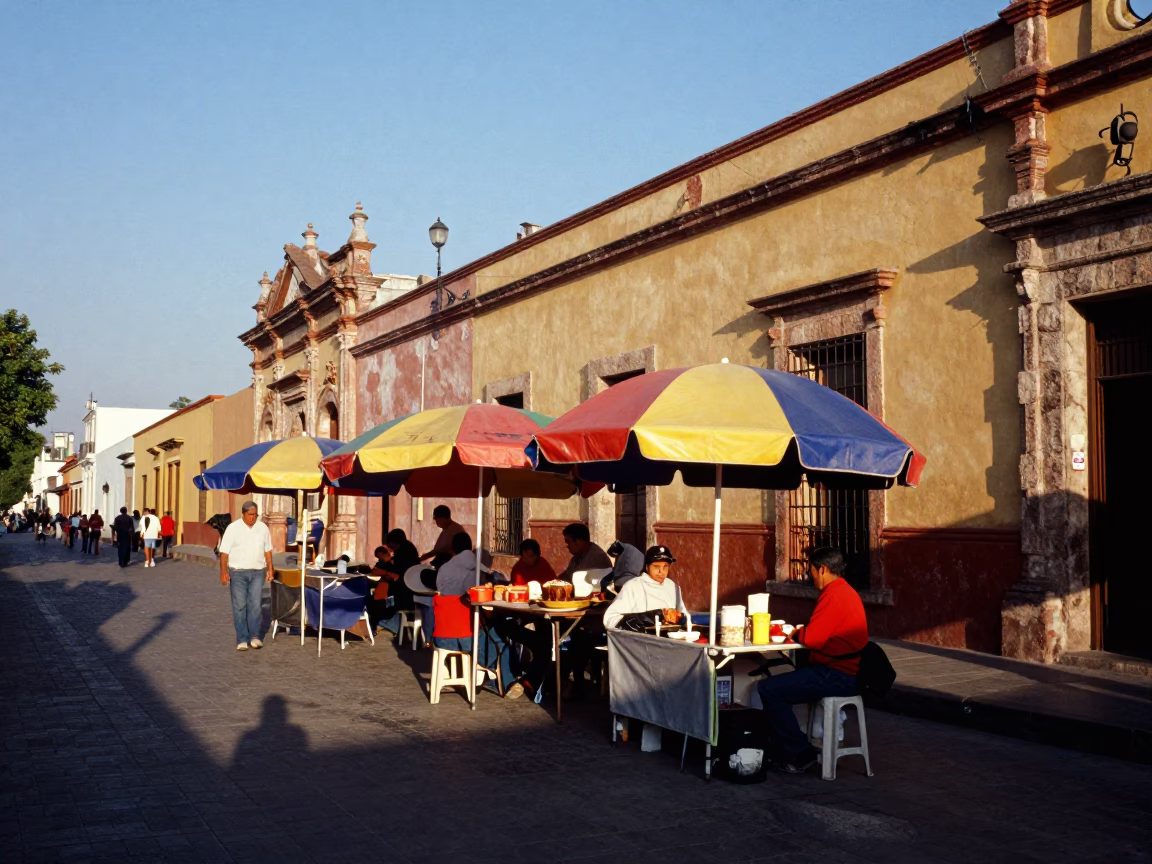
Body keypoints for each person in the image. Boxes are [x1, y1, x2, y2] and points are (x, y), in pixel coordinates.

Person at [755, 547, 867, 774]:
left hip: (835, 674)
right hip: (840, 670)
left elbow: (814, 638)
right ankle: (787, 747)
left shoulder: (833, 595)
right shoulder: (845, 591)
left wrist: (798, 633)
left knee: (769, 689)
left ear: (823, 570)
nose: (810, 576)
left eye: (811, 571)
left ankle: (799, 751)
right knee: (777, 685)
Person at [435, 531, 522, 698]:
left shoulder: (443, 569)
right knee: (501, 636)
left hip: (441, 634)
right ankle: (506, 683)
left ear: (452, 549)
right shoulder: (477, 569)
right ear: (471, 548)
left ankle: (483, 675)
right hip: (466, 636)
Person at [218, 501, 274, 651]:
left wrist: (270, 568)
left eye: (254, 515)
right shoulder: (233, 528)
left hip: (258, 571)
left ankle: (255, 636)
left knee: (255, 605)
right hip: (238, 572)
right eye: (249, 515)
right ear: (243, 514)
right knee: (240, 606)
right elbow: (224, 553)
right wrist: (223, 572)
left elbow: (267, 550)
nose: (252, 518)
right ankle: (242, 638)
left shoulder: (263, 528)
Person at [604, 545, 686, 630]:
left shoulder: (673, 587)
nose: (661, 571)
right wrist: (645, 618)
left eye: (665, 566)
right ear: (647, 567)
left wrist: (679, 618)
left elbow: (684, 616)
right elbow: (610, 620)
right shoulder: (633, 586)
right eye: (656, 566)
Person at [372, 529, 421, 635]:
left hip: (406, 587)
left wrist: (385, 570)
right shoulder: (406, 548)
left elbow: (398, 572)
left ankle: (382, 620)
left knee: (382, 590)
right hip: (408, 582)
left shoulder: (403, 552)